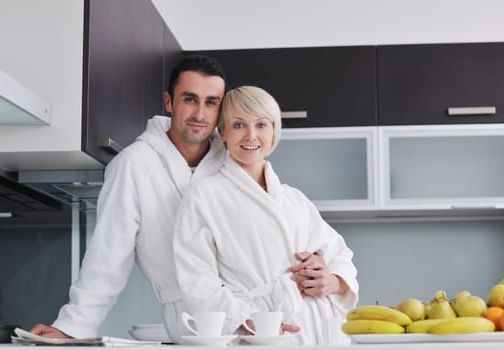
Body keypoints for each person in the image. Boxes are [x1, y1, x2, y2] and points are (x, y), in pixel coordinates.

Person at [29, 56, 333, 343]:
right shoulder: (134, 165)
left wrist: (319, 260)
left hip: (270, 320)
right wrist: (71, 327)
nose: (200, 114)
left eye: (211, 103)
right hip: (197, 323)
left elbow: (277, 219)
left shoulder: (232, 154)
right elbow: (107, 256)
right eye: (190, 99)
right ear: (169, 102)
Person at [173, 86, 359, 345]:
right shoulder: (204, 196)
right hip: (262, 331)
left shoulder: (294, 199)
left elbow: (339, 254)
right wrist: (244, 320)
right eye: (238, 125)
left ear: (273, 132)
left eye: (261, 124)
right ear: (223, 132)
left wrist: (333, 281)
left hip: (321, 331)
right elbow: (196, 277)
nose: (251, 136)